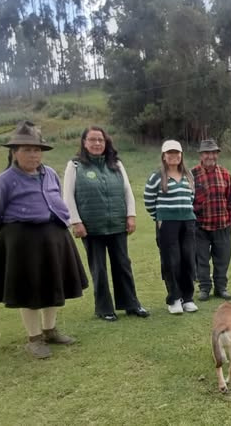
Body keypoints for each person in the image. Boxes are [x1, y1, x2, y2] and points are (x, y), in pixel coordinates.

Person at [0, 121, 88, 359]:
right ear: (14, 152)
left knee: (53, 284)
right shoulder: (3, 181)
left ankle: (50, 330)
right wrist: (17, 236)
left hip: (54, 239)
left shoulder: (49, 173)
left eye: (37, 150)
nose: (33, 154)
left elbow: (55, 200)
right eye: (27, 150)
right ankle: (34, 338)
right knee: (28, 290)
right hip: (23, 244)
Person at [63, 126, 149, 321]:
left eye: (100, 140)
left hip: (117, 224)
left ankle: (131, 304)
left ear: (106, 142)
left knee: (123, 265)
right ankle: (104, 308)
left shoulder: (116, 164)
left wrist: (131, 215)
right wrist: (75, 222)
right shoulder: (75, 165)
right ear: (84, 143)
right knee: (99, 268)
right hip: (91, 227)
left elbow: (127, 191)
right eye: (92, 140)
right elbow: (67, 196)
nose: (97, 143)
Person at [144, 140, 198, 315]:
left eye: (177, 153)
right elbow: (148, 199)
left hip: (187, 222)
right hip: (167, 224)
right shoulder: (157, 177)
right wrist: (159, 217)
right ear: (164, 156)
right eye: (170, 153)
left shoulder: (188, 175)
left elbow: (191, 197)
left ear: (181, 155)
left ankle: (187, 298)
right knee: (171, 261)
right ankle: (174, 298)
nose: (174, 156)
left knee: (188, 259)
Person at [191, 139, 231, 301]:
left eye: (213, 153)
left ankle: (221, 288)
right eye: (206, 153)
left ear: (217, 154)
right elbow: (187, 200)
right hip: (200, 226)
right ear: (201, 155)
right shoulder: (191, 174)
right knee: (201, 259)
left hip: (222, 224)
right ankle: (204, 288)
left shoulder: (225, 174)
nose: (210, 156)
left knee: (222, 259)